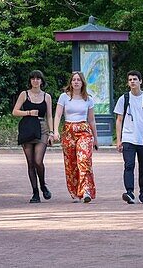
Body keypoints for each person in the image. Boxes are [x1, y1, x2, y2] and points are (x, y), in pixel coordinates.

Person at [51, 70, 97, 202]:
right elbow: (58, 115)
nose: (76, 82)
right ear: (71, 82)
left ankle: (86, 190)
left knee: (84, 160)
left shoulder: (88, 99)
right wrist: (56, 131)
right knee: (71, 163)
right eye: (74, 80)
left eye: (78, 80)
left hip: (84, 131)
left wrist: (95, 138)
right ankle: (75, 191)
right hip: (68, 131)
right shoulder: (64, 97)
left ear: (83, 83)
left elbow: (92, 120)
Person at [113, 69, 143, 204]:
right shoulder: (124, 99)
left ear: (140, 81)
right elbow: (119, 120)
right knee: (129, 165)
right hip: (128, 138)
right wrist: (119, 140)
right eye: (130, 80)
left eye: (135, 79)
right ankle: (129, 192)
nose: (132, 82)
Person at [11, 70, 53, 203]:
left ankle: (43, 185)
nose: (35, 81)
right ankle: (35, 192)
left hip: (42, 128)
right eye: (33, 78)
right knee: (30, 163)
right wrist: (29, 112)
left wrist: (52, 132)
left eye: (38, 78)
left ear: (42, 81)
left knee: (38, 161)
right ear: (30, 81)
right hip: (28, 127)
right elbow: (15, 112)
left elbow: (50, 116)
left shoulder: (47, 97)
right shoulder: (24, 94)